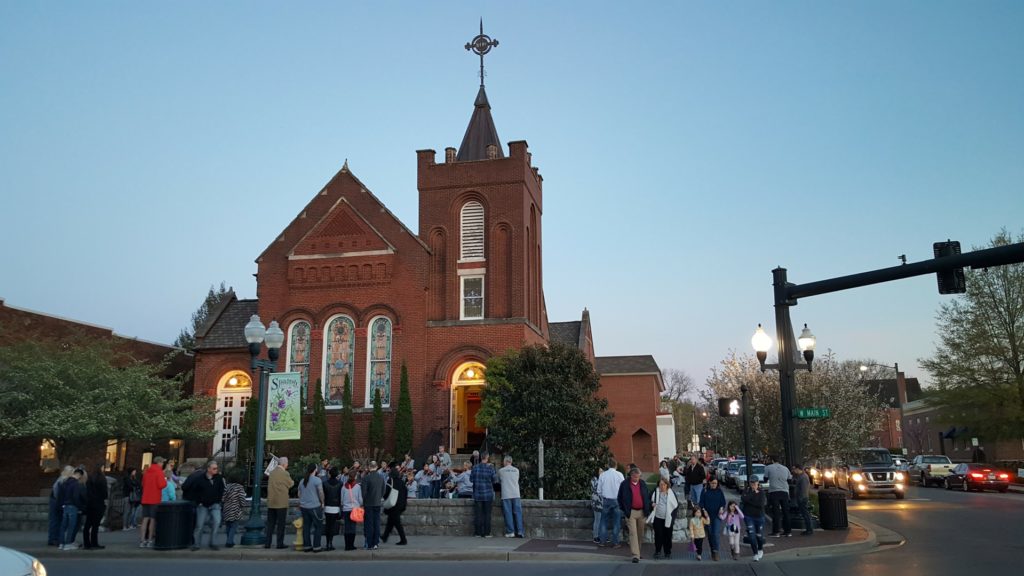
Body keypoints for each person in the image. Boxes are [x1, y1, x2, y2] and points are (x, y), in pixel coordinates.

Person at [184, 460, 225, 551]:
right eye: (214, 468)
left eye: (216, 468)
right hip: (203, 505)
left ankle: (213, 542)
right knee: (199, 525)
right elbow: (194, 491)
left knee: (217, 522)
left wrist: (218, 500)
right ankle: (196, 544)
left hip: (215, 504)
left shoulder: (218, 478)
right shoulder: (200, 479)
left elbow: (221, 489)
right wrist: (198, 501)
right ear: (208, 469)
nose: (216, 470)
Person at [617, 466, 651, 564]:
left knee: (640, 533)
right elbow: (619, 498)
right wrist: (624, 509)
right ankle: (635, 555)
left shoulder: (642, 483)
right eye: (636, 477)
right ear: (631, 476)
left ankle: (638, 552)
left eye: (639, 477)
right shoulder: (624, 484)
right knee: (633, 533)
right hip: (630, 512)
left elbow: (647, 496)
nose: (637, 478)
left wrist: (647, 508)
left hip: (641, 512)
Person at [139, 457, 167, 548]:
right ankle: (150, 540)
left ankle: (142, 540)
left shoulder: (147, 472)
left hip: (145, 498)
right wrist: (165, 480)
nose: (163, 464)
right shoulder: (159, 472)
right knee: (152, 520)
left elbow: (143, 484)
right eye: (162, 462)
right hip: (154, 498)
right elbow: (162, 485)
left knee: (145, 519)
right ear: (158, 462)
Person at [265, 456, 293, 549]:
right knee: (281, 524)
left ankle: (267, 543)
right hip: (281, 502)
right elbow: (291, 484)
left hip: (271, 501)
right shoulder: (285, 473)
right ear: (284, 464)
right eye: (287, 463)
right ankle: (279, 543)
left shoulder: (272, 473)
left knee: (270, 524)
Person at [596, 458, 625, 548]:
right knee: (616, 522)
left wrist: (603, 495)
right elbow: (623, 488)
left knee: (603, 521)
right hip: (616, 500)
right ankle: (615, 542)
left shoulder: (603, 475)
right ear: (616, 465)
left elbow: (599, 490)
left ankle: (602, 541)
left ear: (608, 465)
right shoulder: (619, 474)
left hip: (606, 499)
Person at [298, 462, 325, 552]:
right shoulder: (317, 480)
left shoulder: (302, 481)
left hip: (304, 506)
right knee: (318, 526)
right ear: (315, 469)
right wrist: (322, 502)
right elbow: (320, 492)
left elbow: (299, 494)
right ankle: (316, 546)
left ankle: (307, 546)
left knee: (306, 527)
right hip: (314, 506)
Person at [650, 477, 679, 560]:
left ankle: (667, 552)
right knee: (658, 535)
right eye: (660, 484)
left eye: (664, 484)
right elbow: (649, 500)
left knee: (668, 535)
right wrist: (652, 504)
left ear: (667, 485)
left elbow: (675, 505)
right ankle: (658, 551)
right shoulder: (655, 492)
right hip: (658, 518)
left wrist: (672, 518)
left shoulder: (671, 493)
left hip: (668, 518)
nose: (662, 486)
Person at [699, 477, 727, 561]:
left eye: (715, 483)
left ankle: (716, 552)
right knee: (710, 534)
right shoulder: (704, 491)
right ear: (709, 483)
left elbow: (723, 502)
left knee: (716, 534)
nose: (714, 485)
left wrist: (722, 508)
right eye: (712, 483)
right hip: (707, 516)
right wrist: (704, 510)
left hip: (717, 516)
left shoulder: (719, 491)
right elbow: (701, 503)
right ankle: (713, 551)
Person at [764, 456, 792, 537]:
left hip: (774, 491)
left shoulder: (768, 467)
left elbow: (765, 479)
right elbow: (789, 479)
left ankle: (776, 531)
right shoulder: (785, 468)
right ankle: (788, 531)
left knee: (776, 512)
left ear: (772, 460)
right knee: (786, 512)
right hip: (784, 491)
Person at [381, 461, 408, 545]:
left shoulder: (390, 481)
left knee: (397, 523)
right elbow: (405, 492)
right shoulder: (401, 482)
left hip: (393, 505)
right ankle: (385, 536)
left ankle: (403, 540)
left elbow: (386, 493)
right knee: (391, 521)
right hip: (400, 505)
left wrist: (385, 498)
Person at [741, 478, 768, 562]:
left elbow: (761, 504)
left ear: (758, 483)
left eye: (754, 482)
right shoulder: (746, 490)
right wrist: (753, 494)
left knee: (759, 536)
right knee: (752, 536)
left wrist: (749, 501)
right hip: (749, 516)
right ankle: (755, 553)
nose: (753, 484)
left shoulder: (761, 492)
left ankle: (760, 549)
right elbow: (743, 499)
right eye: (751, 482)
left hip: (759, 517)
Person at [470, 453, 496, 537]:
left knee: (478, 514)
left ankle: (478, 532)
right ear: (487, 458)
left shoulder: (475, 467)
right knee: (487, 514)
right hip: (488, 494)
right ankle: (487, 533)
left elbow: (471, 479)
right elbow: (494, 480)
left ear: (481, 458)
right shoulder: (490, 468)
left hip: (477, 494)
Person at [360, 460, 385, 549]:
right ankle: (376, 543)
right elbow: (383, 490)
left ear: (369, 467)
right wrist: (378, 497)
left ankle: (369, 543)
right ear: (377, 467)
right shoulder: (381, 477)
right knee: (377, 523)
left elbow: (363, 493)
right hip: (377, 503)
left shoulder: (366, 478)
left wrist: (364, 501)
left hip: (368, 504)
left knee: (369, 524)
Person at [59, 468, 85, 550]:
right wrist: (79, 507)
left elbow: (61, 494)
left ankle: (61, 543)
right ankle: (68, 543)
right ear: (79, 475)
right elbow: (76, 496)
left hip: (65, 505)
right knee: (71, 526)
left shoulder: (65, 482)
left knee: (63, 526)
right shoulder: (75, 484)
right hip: (73, 506)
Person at [498, 455, 524, 538]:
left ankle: (511, 532)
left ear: (505, 461)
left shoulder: (501, 471)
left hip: (506, 494)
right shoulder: (516, 470)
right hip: (516, 494)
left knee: (508, 513)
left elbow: (499, 481)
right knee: (518, 513)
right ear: (511, 461)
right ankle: (520, 531)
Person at [83, 464, 108, 550]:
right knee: (95, 525)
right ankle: (94, 542)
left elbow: (87, 492)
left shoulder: (89, 479)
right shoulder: (102, 479)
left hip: (90, 504)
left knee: (88, 524)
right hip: (99, 503)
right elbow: (105, 493)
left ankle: (87, 543)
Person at [48, 466, 74, 546]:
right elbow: (58, 494)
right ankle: (54, 539)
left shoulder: (60, 479)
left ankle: (53, 538)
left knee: (55, 521)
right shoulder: (63, 481)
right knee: (57, 521)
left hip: (55, 501)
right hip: (57, 502)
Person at [221, 468, 247, 548]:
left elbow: (223, 498)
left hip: (226, 508)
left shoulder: (227, 486)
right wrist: (243, 506)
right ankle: (229, 541)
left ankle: (229, 540)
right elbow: (242, 499)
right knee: (234, 526)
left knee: (228, 525)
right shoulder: (239, 487)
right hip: (235, 509)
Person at [341, 470, 363, 550]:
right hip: (354, 510)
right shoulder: (357, 487)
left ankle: (347, 545)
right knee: (353, 527)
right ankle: (351, 545)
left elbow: (342, 500)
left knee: (347, 528)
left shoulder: (343, 486)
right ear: (355, 477)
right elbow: (360, 500)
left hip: (346, 509)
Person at [323, 467, 343, 551]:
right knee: (333, 525)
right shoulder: (340, 483)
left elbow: (323, 495)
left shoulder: (325, 483)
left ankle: (328, 543)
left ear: (329, 474)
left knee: (328, 525)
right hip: (336, 507)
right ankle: (330, 542)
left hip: (327, 506)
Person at [792, 464, 813, 536]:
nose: (794, 471)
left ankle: (809, 529)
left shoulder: (803, 477)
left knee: (805, 514)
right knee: (805, 514)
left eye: (794, 469)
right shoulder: (801, 476)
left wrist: (801, 498)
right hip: (802, 497)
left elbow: (804, 490)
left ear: (798, 469)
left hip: (802, 498)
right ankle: (809, 529)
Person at [589, 467, 603, 544]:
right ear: (597, 472)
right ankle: (595, 536)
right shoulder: (594, 479)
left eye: (602, 471)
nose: (602, 472)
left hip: (602, 502)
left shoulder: (602, 479)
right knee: (597, 519)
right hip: (596, 502)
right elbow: (595, 488)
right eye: (600, 471)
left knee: (601, 520)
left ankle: (601, 535)